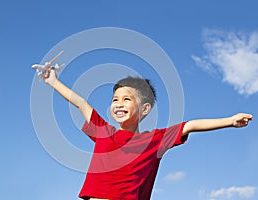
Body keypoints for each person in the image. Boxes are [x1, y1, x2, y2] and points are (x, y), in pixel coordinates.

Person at [43, 67, 253, 200]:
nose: (119, 103)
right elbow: (81, 103)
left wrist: (229, 121)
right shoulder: (104, 132)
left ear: (144, 109)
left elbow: (190, 125)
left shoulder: (154, 140)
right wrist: (53, 81)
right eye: (115, 99)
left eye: (127, 99)